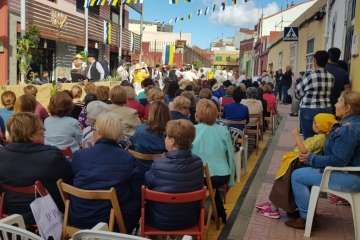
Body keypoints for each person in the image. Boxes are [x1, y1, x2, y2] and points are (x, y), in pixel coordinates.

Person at [286, 91, 360, 229]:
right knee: (303, 171)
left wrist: (311, 158)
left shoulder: (348, 129)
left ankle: (306, 218)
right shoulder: (352, 124)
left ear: (348, 108)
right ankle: (305, 212)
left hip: (351, 179)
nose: (335, 104)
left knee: (297, 176)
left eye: (339, 101)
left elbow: (339, 160)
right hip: (351, 175)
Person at [256, 113, 337, 219]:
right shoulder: (321, 137)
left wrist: (296, 136)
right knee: (282, 184)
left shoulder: (320, 139)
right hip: (298, 163)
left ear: (319, 126)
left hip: (298, 164)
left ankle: (273, 209)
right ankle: (274, 205)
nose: (312, 124)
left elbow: (303, 151)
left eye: (314, 122)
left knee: (281, 184)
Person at [71, 111, 140, 233]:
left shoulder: (79, 156)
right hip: (113, 222)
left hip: (79, 219)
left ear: (98, 132)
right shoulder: (127, 158)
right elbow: (136, 192)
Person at [0, 112, 72, 224]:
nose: (44, 130)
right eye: (40, 128)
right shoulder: (51, 156)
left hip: (11, 218)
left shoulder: (2, 155)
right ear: (30, 134)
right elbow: (70, 183)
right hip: (50, 218)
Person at [145, 119, 203, 230]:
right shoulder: (198, 163)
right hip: (190, 219)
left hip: (159, 220)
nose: (165, 139)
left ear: (172, 141)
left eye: (166, 136)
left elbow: (147, 183)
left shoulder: (158, 164)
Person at [192, 99, 235, 223]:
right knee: (212, 188)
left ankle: (211, 213)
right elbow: (230, 157)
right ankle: (220, 212)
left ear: (197, 114)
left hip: (198, 175)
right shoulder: (223, 130)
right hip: (221, 175)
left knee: (207, 186)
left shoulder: (192, 129)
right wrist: (231, 180)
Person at [296, 51, 334, 139]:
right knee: (323, 138)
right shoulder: (331, 77)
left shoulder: (309, 75)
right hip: (326, 109)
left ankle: (309, 153)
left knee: (309, 138)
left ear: (315, 61)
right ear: (327, 61)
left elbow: (298, 92)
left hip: (309, 109)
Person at [131, 101, 170, 180]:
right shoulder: (169, 133)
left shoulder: (139, 130)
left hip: (140, 171)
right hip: (164, 172)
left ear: (150, 113)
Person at [326, 48, 351, 112]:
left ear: (328, 57)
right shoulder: (343, 73)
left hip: (321, 104)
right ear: (339, 57)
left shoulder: (322, 69)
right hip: (336, 105)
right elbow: (347, 90)